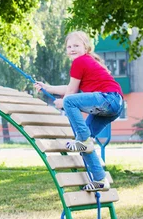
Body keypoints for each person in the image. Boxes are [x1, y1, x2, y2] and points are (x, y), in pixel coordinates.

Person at [34, 31, 124, 192]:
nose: (72, 49)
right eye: (69, 46)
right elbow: (70, 88)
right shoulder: (86, 61)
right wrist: (47, 88)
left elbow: (70, 94)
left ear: (86, 47)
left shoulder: (80, 62)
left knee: (72, 111)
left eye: (76, 45)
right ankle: (100, 180)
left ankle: (82, 139)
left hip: (108, 99)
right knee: (86, 143)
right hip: (115, 103)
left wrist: (63, 103)